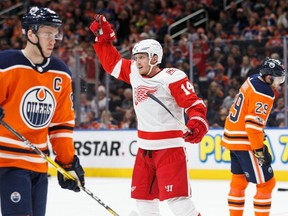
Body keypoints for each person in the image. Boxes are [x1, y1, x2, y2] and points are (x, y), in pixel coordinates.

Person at [89, 14, 209, 216]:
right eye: (135, 58)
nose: (137, 61)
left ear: (154, 58)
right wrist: (103, 41)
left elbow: (194, 103)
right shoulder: (135, 72)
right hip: (145, 150)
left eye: (142, 57)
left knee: (179, 203)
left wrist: (197, 121)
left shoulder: (172, 77)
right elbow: (112, 64)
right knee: (143, 202)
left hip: (170, 149)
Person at [0, 7, 85, 216]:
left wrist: (67, 162)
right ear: (30, 34)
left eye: (56, 33)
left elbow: (61, 125)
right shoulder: (6, 64)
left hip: (39, 164)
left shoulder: (61, 72)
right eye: (48, 33)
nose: (53, 39)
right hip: (8, 161)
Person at [221, 57, 286, 216]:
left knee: (239, 181)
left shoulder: (252, 79)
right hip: (246, 142)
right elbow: (253, 126)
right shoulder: (264, 92)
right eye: (278, 78)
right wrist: (259, 150)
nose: (280, 82)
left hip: (232, 137)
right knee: (267, 184)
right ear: (268, 77)